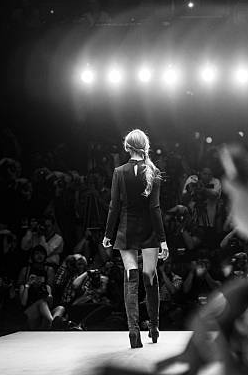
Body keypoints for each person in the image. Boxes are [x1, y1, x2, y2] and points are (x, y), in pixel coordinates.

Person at [102, 129, 169, 348]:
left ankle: (133, 332)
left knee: (131, 276)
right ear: (146, 146)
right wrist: (163, 240)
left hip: (126, 230)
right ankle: (154, 327)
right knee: (150, 276)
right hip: (149, 232)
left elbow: (114, 207)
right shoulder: (153, 171)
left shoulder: (119, 172)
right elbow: (155, 208)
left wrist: (107, 235)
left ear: (127, 147)